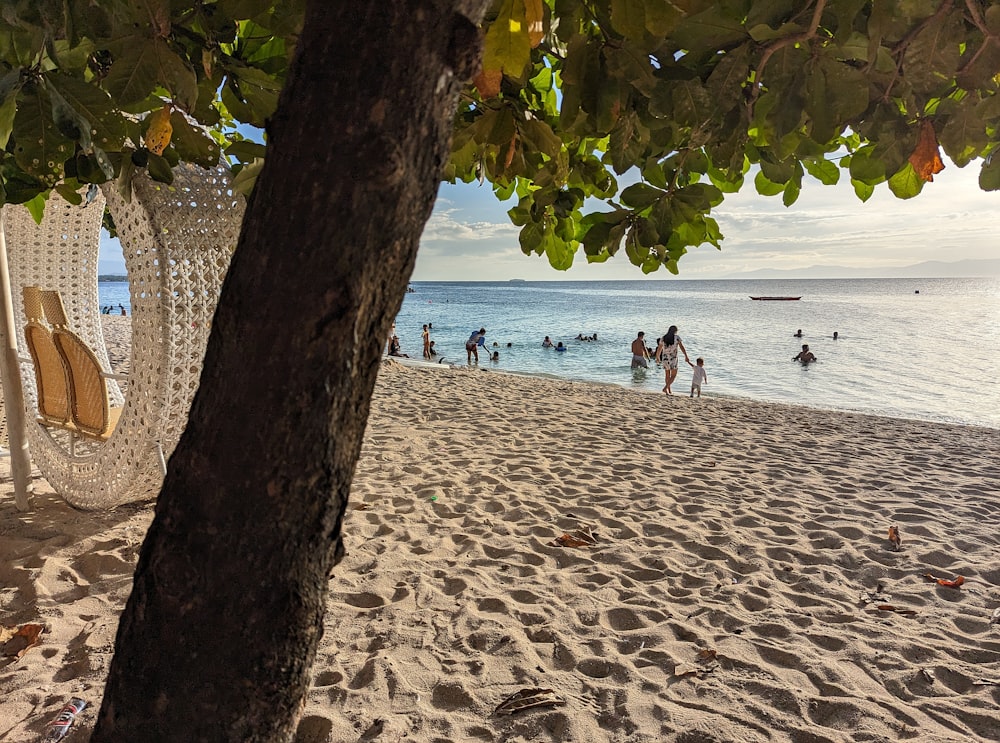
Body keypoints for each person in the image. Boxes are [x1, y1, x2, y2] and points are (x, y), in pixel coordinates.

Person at [655, 325, 691, 395]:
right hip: (673, 359)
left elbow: (659, 348)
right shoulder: (677, 338)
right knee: (673, 375)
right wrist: (686, 356)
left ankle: (668, 390)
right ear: (675, 331)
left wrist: (657, 357)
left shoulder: (663, 338)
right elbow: (682, 347)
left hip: (665, 358)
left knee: (667, 375)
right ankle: (665, 388)